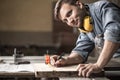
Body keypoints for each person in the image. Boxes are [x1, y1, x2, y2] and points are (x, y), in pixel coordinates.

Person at [51, 0, 120, 78]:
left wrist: (98, 65)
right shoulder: (85, 26)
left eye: (69, 14)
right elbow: (80, 52)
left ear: (79, 4)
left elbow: (113, 34)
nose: (70, 21)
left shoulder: (103, 8)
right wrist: (66, 60)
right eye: (66, 20)